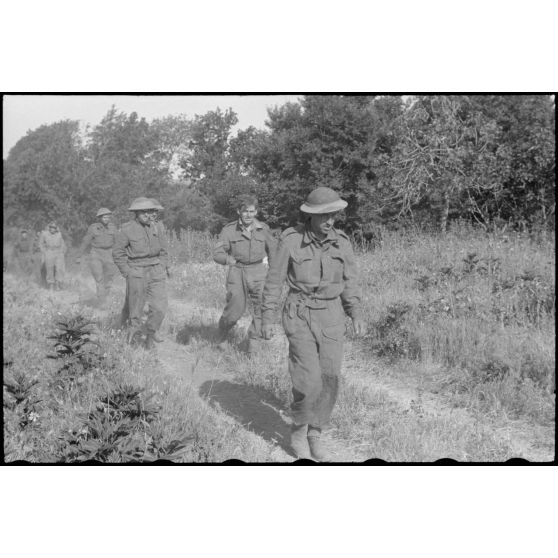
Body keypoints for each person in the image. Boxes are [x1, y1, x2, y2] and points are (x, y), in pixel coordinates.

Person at [261, 187, 366, 461]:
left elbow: (349, 281)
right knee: (308, 379)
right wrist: (267, 317)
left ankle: (316, 432)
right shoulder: (291, 240)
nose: (330, 221)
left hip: (331, 313)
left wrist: (355, 313)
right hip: (300, 311)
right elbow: (273, 282)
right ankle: (298, 430)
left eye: (333, 215)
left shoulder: (342, 242)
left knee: (330, 377)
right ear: (310, 216)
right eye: (324, 216)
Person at [213, 195, 277, 354]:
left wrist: (275, 272)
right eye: (245, 211)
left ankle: (253, 346)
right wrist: (228, 260)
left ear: (256, 212)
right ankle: (221, 335)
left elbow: (274, 251)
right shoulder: (229, 230)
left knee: (261, 307)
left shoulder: (264, 229)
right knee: (234, 310)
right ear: (238, 212)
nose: (249, 215)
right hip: (238, 271)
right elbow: (217, 253)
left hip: (258, 271)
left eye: (252, 211)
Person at [113, 197, 169, 350]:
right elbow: (118, 253)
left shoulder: (158, 227)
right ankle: (130, 342)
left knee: (160, 307)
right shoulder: (127, 229)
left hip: (155, 271)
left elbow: (164, 250)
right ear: (136, 213)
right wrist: (127, 272)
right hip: (136, 271)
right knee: (135, 309)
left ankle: (151, 333)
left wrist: (162, 266)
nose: (147, 214)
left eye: (149, 211)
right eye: (143, 211)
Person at [76, 208, 117, 301]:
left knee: (109, 276)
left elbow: (118, 241)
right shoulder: (93, 228)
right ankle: (101, 300)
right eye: (104, 217)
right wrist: (78, 255)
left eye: (108, 217)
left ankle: (106, 295)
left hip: (109, 253)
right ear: (99, 218)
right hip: (96, 253)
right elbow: (85, 241)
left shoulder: (113, 227)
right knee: (99, 277)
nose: (106, 219)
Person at [39, 222, 67, 291]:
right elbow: (40, 243)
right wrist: (44, 251)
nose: (52, 229)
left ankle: (57, 284)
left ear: (56, 228)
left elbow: (63, 244)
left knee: (59, 269)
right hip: (49, 252)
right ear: (49, 228)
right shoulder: (45, 234)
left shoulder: (59, 234)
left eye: (54, 228)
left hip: (58, 252)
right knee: (49, 269)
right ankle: (51, 284)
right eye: (51, 227)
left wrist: (62, 252)